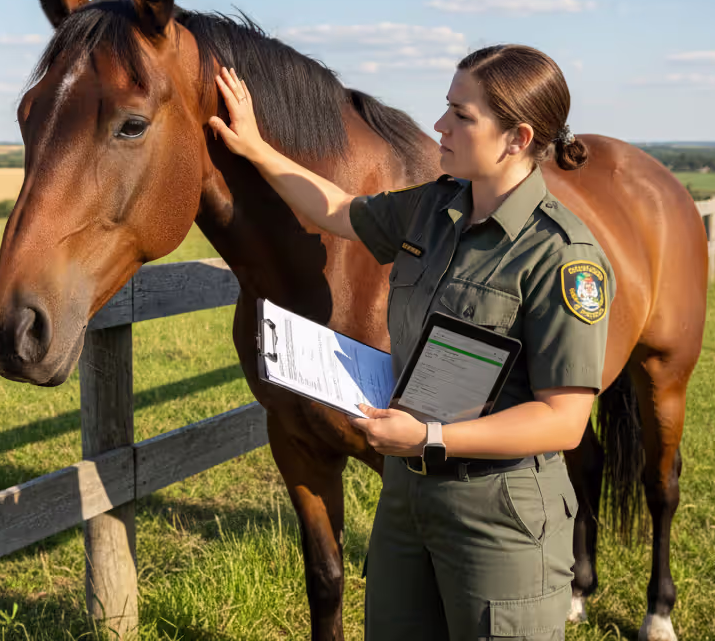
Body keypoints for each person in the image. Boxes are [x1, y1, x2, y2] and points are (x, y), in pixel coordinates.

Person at [208, 44, 612, 641]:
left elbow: (564, 420)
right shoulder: (434, 208)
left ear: (517, 138)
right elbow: (338, 209)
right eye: (447, 106)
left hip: (499, 511)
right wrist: (253, 145)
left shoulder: (562, 257)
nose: (439, 125)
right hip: (406, 498)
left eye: (461, 114)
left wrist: (430, 437)